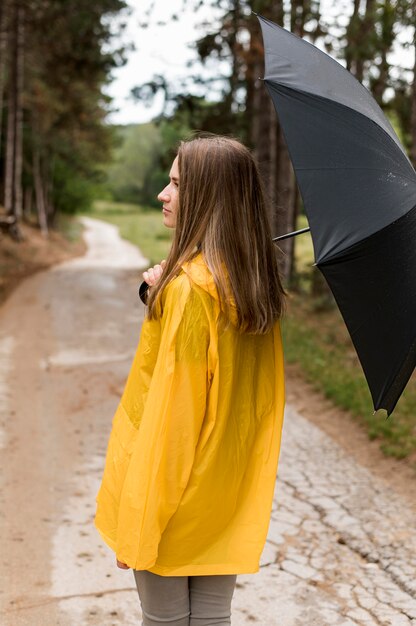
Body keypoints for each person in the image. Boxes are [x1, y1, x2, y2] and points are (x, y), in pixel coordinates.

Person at [94, 135, 286, 625]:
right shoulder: (253, 291)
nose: (163, 193)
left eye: (177, 183)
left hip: (171, 501)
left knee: (165, 621)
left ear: (207, 197)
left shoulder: (191, 292)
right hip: (224, 495)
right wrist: (165, 290)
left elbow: (170, 425)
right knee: (211, 618)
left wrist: (141, 522)